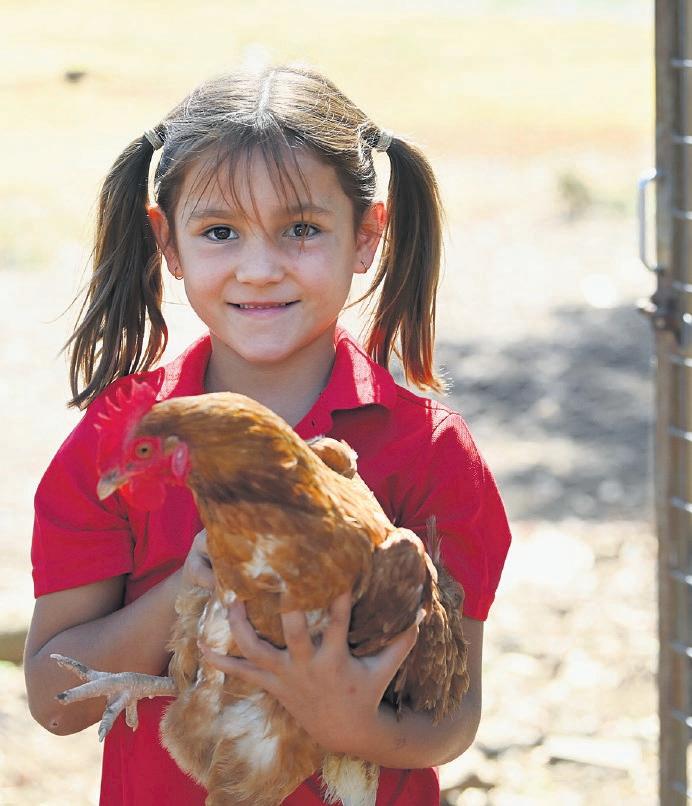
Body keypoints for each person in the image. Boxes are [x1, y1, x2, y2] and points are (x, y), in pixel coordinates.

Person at [24, 65, 511, 805]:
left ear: (366, 236)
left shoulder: (427, 451)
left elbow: (452, 715)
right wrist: (191, 587)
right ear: (168, 242)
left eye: (302, 230)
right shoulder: (124, 441)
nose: (258, 269)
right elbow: (54, 700)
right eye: (220, 232)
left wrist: (346, 720)